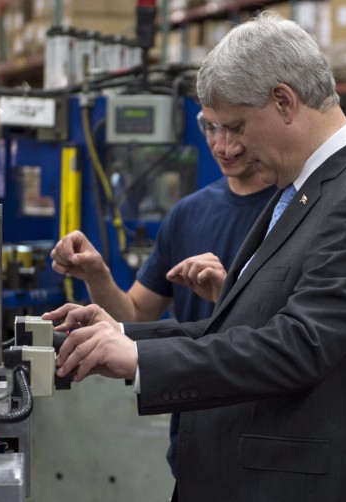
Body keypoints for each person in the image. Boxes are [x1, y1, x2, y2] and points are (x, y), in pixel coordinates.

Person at [44, 11, 346, 502]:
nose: (229, 147)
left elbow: (298, 345)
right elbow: (244, 329)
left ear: (284, 101)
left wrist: (141, 358)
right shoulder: (303, 192)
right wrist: (120, 334)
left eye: (237, 126)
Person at [50, 107, 275, 476]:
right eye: (209, 128)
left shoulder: (289, 213)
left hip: (262, 438)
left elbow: (292, 336)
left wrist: (227, 295)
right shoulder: (188, 213)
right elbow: (135, 317)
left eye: (233, 129)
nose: (222, 145)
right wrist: (97, 274)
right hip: (191, 439)